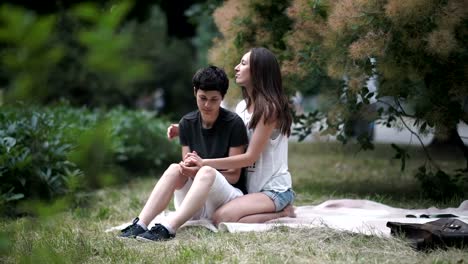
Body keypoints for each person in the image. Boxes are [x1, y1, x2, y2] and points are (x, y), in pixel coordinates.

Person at [119, 66, 248, 242]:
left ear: (222, 97)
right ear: (195, 92)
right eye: (202, 98)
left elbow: (234, 176)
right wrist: (190, 170)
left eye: (214, 100)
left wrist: (203, 168)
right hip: (195, 203)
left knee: (207, 171)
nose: (207, 105)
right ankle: (141, 223)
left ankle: (168, 228)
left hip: (226, 199)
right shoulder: (187, 123)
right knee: (174, 168)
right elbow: (186, 168)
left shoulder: (234, 124)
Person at [178, 47, 296, 224]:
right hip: (250, 190)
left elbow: (249, 158)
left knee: (222, 218)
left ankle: (283, 213)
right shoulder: (242, 106)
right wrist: (182, 127)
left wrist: (204, 163)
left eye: (243, 63)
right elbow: (226, 128)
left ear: (258, 70)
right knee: (215, 216)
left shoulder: (269, 109)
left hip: (274, 190)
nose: (236, 67)